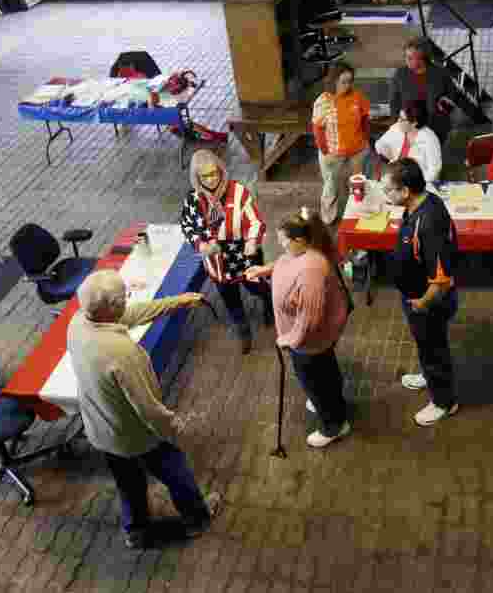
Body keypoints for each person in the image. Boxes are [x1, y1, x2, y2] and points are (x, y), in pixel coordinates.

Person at [68, 270, 220, 549]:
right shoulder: (122, 353)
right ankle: (197, 518)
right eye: (124, 297)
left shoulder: (79, 322)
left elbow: (133, 313)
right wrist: (173, 427)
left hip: (101, 430)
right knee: (176, 470)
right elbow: (148, 408)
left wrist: (178, 301)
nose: (128, 301)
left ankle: (136, 531)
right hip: (135, 435)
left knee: (128, 483)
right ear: (114, 307)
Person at [246, 208, 351, 447]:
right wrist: (265, 270)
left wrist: (291, 339)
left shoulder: (311, 270)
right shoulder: (302, 252)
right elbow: (286, 261)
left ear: (300, 240)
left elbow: (310, 319)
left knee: (314, 381)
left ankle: (333, 426)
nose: (282, 247)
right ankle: (329, 401)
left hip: (309, 343)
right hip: (309, 341)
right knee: (325, 373)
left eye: (284, 242)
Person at [382, 158, 460, 425]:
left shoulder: (428, 223)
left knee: (434, 349)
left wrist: (421, 304)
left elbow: (441, 281)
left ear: (405, 191)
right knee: (426, 346)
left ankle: (443, 401)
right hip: (415, 296)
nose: (385, 195)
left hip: (427, 303)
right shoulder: (419, 204)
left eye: (388, 190)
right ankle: (429, 376)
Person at [180, 149, 271, 355]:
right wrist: (199, 245)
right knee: (230, 299)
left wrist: (252, 241)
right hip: (217, 260)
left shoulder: (238, 192)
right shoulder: (193, 200)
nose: (212, 180)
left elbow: (255, 221)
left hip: (244, 255)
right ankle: (243, 331)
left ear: (221, 170)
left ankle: (269, 305)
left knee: (257, 287)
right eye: (205, 176)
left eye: (215, 173)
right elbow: (187, 226)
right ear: (197, 177)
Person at [312, 62, 371, 225]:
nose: (348, 85)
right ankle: (328, 218)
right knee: (331, 187)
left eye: (350, 81)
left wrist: (365, 139)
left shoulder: (357, 96)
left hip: (357, 150)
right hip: (333, 153)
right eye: (344, 81)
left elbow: (365, 117)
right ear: (334, 81)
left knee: (359, 183)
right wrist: (325, 151)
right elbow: (317, 128)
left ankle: (359, 213)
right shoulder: (323, 101)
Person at [389, 37, 460, 143]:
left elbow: (453, 96)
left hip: (436, 128)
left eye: (410, 57)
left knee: (433, 156)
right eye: (406, 57)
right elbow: (394, 101)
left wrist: (445, 108)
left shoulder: (440, 74)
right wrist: (395, 124)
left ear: (422, 58)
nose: (406, 60)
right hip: (409, 127)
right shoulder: (400, 74)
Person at [374, 100, 442, 191]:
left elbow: (434, 171)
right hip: (398, 180)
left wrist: (416, 183)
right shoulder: (396, 128)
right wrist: (385, 150)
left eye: (402, 119)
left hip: (421, 185)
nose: (398, 121)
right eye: (399, 117)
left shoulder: (430, 139)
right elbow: (379, 144)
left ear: (414, 123)